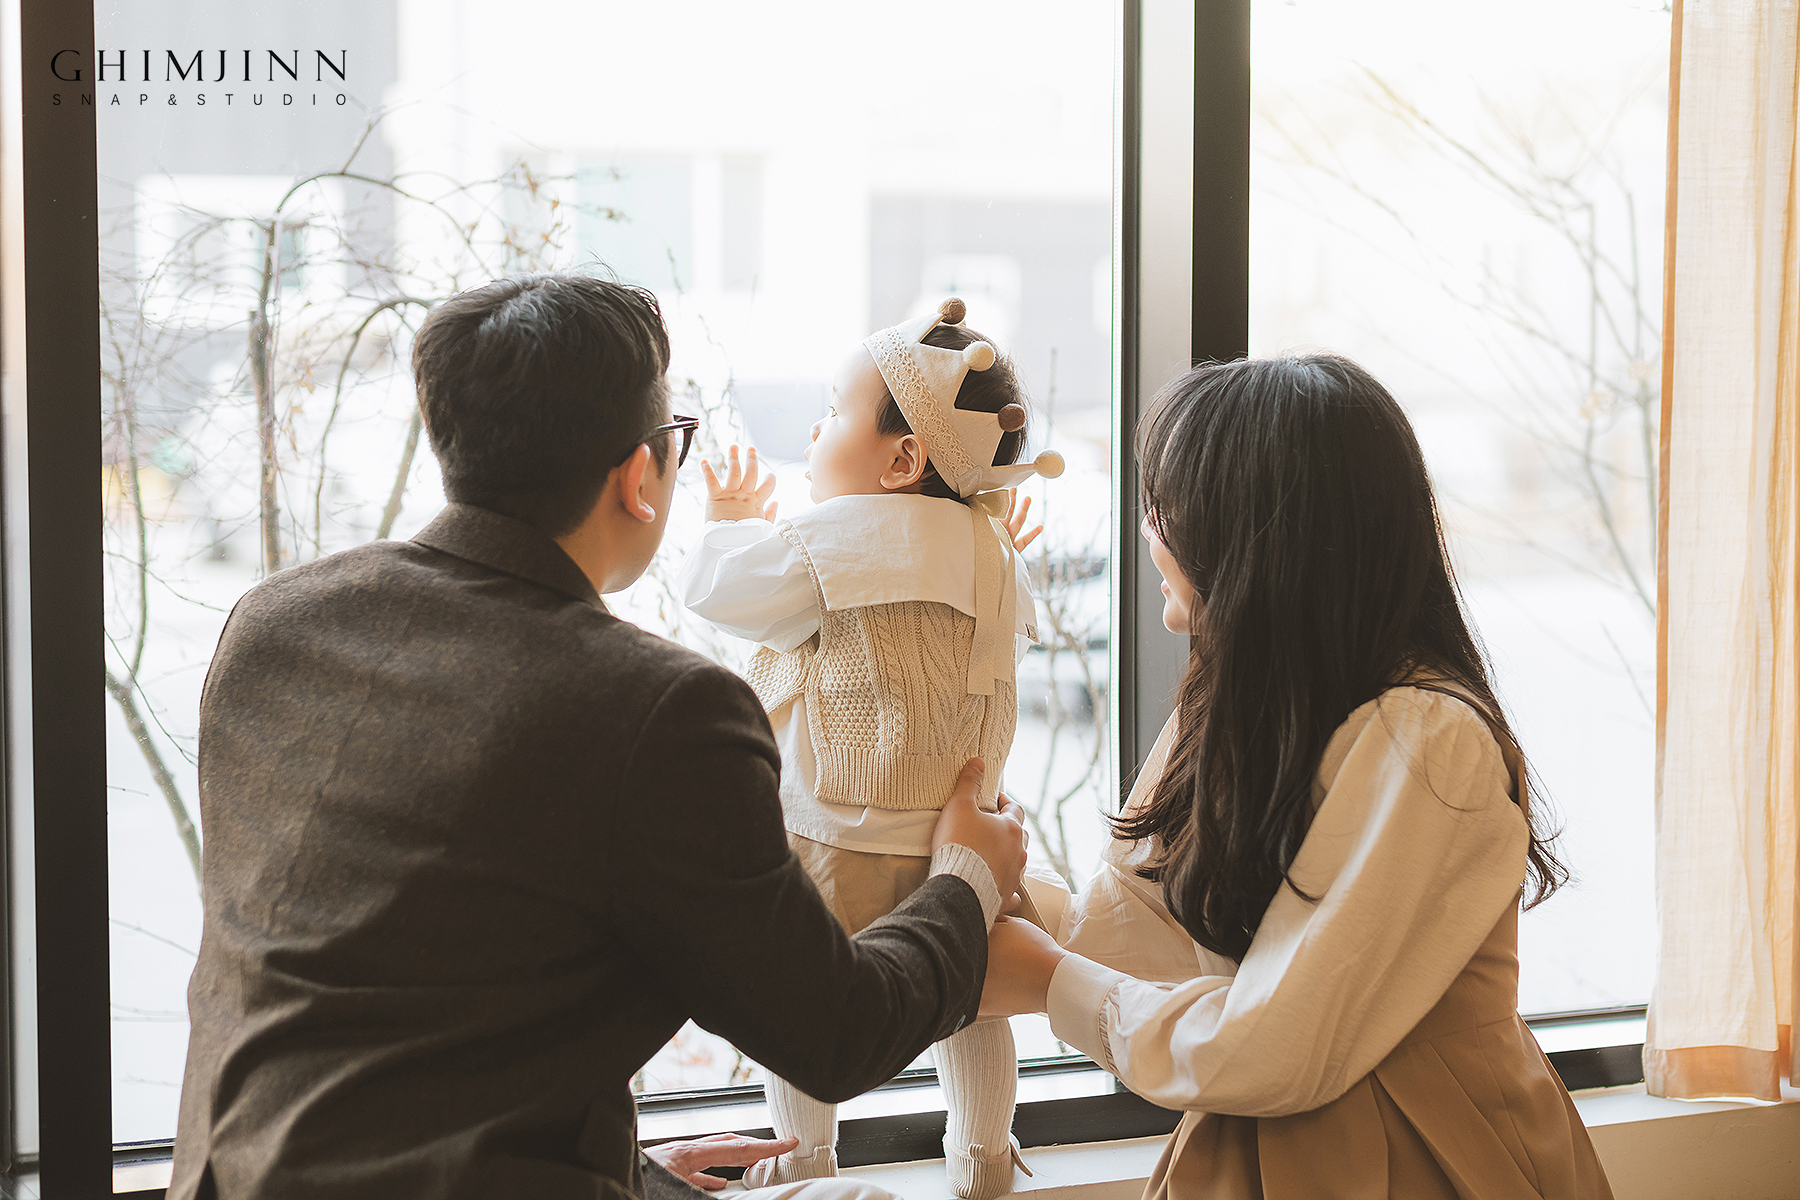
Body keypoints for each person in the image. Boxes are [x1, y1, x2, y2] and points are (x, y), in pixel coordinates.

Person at [167, 273, 1029, 1200]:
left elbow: (400, 1004)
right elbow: (838, 1033)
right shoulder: (658, 710)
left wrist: (629, 1169)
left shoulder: (271, 625)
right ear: (638, 477)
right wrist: (966, 876)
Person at [981, 355, 1615, 1199]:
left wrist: (1046, 978)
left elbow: (1277, 1046)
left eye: (1173, 507)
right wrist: (994, 880)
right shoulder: (1236, 707)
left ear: (1258, 537)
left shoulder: (1430, 739)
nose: (1149, 530)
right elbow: (1129, 934)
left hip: (1433, 1159)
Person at [679, 298, 1066, 1199]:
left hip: (836, 845)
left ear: (902, 462)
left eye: (833, 411)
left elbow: (722, 593)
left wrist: (731, 520)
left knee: (799, 1008)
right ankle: (983, 1166)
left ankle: (803, 1166)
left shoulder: (831, 541)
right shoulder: (992, 547)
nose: (816, 429)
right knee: (972, 1005)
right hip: (962, 849)